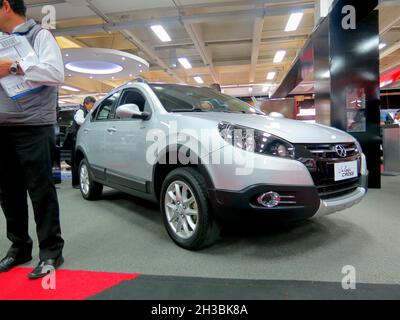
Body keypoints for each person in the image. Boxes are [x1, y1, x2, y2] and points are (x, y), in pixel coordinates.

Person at [0, 0, 65, 279]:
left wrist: (14, 67)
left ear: (5, 6)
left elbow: (55, 73)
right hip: (3, 126)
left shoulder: (40, 35)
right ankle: (20, 247)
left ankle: (51, 251)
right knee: (8, 193)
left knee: (41, 191)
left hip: (33, 125)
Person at [70, 96, 96, 188]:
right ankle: (75, 183)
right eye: (91, 105)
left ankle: (80, 181)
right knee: (75, 161)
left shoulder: (88, 111)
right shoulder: (80, 111)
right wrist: (88, 121)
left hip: (81, 138)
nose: (92, 107)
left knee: (80, 161)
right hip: (75, 138)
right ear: (86, 104)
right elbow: (79, 120)